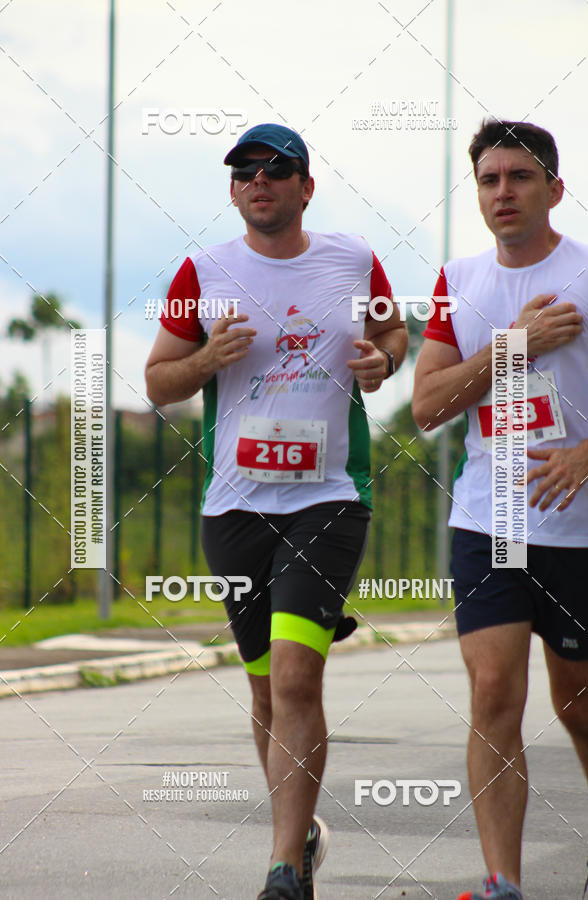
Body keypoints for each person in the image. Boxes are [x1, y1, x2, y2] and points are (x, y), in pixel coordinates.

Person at [145, 123, 407, 900]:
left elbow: (394, 329)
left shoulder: (352, 260)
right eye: (245, 171)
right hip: (235, 507)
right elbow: (159, 383)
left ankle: (283, 870)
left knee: (296, 678)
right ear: (233, 191)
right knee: (264, 689)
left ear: (305, 187)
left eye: (277, 168)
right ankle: (301, 836)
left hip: (328, 496)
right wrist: (205, 360)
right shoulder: (205, 270)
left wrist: (383, 359)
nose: (259, 180)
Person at [412, 119, 588, 900]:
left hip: (584, 524)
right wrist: (508, 347)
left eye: (519, 177)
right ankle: (503, 883)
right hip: (491, 518)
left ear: (553, 189)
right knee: (494, 692)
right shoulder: (459, 281)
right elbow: (426, 404)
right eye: (489, 180)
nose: (502, 193)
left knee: (582, 703)